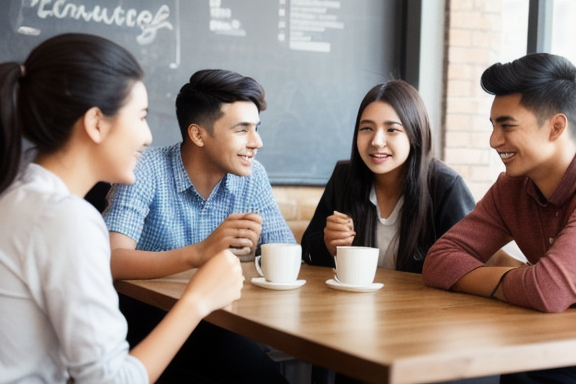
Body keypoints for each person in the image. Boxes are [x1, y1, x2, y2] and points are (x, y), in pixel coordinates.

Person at [0, 33, 243, 384]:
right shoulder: (67, 219)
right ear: (96, 123)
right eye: (141, 117)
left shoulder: (16, 193)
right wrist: (198, 300)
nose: (147, 136)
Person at [102, 69, 294, 383]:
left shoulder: (252, 175)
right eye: (242, 129)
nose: (256, 142)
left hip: (219, 322)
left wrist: (261, 248)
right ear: (198, 134)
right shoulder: (147, 168)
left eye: (256, 128)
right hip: (142, 326)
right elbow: (110, 259)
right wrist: (200, 253)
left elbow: (288, 254)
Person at [422, 53, 576, 383]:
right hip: (539, 349)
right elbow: (439, 260)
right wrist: (519, 278)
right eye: (493, 126)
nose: (494, 141)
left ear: (556, 127)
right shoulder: (512, 188)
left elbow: (547, 290)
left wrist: (531, 281)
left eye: (507, 126)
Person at [301, 79, 475, 273]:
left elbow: (468, 262)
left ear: (415, 134)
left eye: (392, 130)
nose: (376, 141)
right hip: (355, 302)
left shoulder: (446, 186)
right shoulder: (344, 177)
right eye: (366, 128)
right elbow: (308, 253)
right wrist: (328, 245)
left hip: (423, 302)